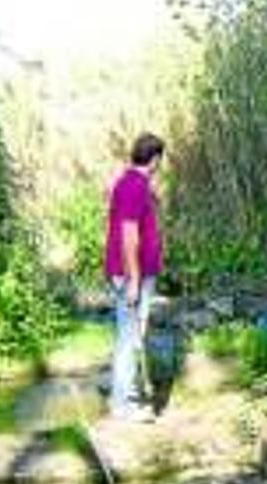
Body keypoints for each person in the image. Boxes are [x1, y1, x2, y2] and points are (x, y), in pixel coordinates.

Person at [103, 132, 165, 421]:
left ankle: (127, 393)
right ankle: (122, 405)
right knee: (128, 337)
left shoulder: (135, 184)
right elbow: (129, 235)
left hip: (134, 272)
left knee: (132, 335)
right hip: (131, 275)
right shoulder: (133, 186)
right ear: (155, 159)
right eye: (159, 160)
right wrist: (135, 280)